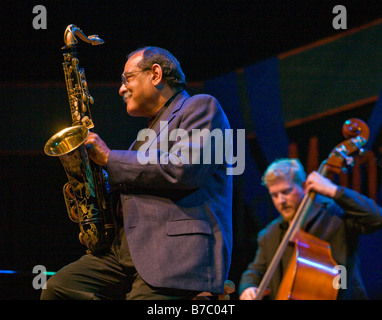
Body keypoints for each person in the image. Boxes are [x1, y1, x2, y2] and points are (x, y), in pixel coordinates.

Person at [41, 46, 233, 300]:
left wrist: (109, 158)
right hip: (125, 254)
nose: (121, 89)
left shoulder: (201, 107)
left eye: (127, 79)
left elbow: (184, 169)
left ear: (155, 74)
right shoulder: (143, 139)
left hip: (175, 257)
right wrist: (92, 198)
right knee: (59, 288)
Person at [239, 158, 382, 300]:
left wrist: (334, 191)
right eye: (274, 195)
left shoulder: (335, 214)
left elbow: (377, 218)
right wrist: (248, 288)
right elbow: (254, 271)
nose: (280, 201)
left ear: (304, 186)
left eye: (286, 191)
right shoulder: (269, 233)